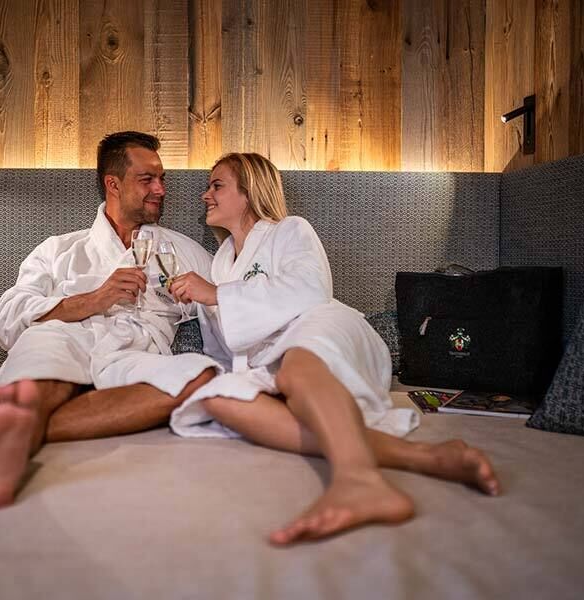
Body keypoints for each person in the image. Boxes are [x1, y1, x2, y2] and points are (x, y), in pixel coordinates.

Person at [167, 152, 500, 545]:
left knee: (294, 367)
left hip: (321, 327)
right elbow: (227, 348)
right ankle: (429, 457)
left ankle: (358, 481)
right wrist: (210, 298)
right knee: (219, 401)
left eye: (216, 185)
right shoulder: (221, 263)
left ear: (249, 191)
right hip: (270, 359)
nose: (206, 195)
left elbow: (311, 290)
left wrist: (218, 295)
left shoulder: (290, 230)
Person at [0, 132, 220, 508]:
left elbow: (226, 310)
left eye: (162, 179)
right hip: (67, 338)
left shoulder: (183, 251)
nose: (160, 189)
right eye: (147, 179)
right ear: (113, 183)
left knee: (200, 375)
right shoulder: (59, 250)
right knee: (45, 350)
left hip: (138, 354)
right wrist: (94, 299)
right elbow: (8, 319)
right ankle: (12, 439)